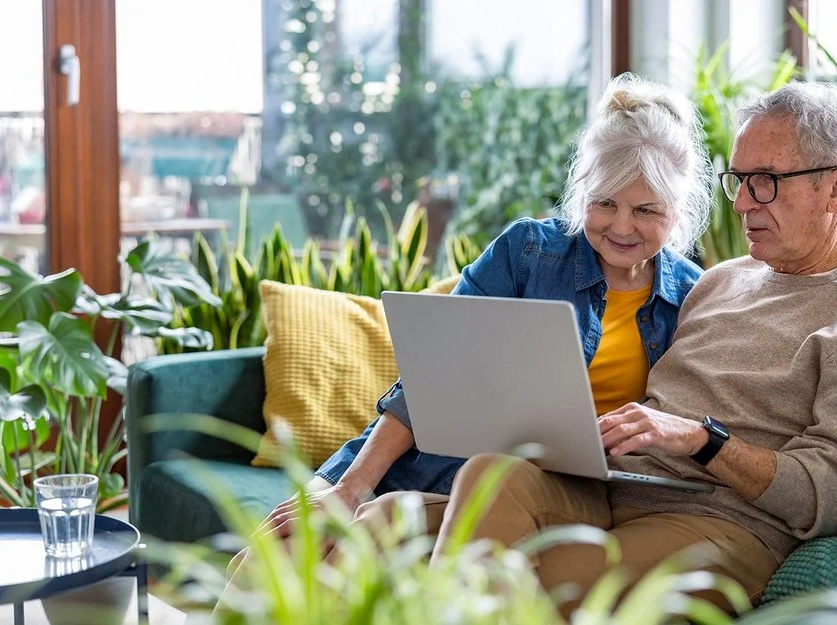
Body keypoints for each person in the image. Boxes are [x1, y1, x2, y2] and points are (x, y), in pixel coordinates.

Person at [365, 81, 837, 613]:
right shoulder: (719, 282)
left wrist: (703, 441)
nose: (741, 204)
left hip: (723, 522)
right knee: (403, 510)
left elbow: (832, 495)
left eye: (766, 180)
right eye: (738, 180)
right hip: (618, 490)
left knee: (524, 576)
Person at [249, 73, 714, 545]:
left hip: (538, 492)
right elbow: (431, 378)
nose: (621, 225)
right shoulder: (528, 251)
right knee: (268, 556)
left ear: (678, 211)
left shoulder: (694, 299)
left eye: (646, 210)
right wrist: (350, 487)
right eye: (604, 202)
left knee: (341, 554)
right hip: (429, 458)